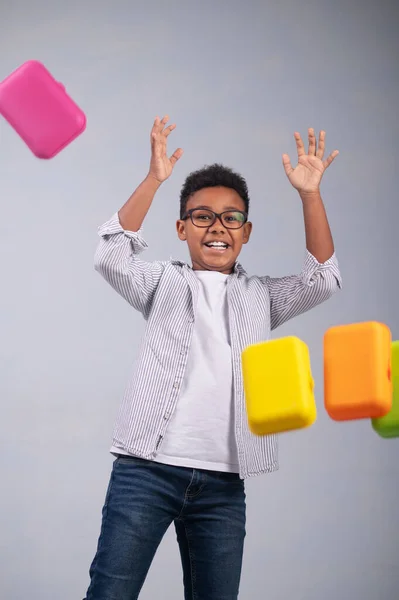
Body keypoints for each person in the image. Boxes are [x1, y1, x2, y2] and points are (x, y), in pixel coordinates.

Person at [83, 116, 342, 600]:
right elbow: (111, 257)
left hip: (224, 483)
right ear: (182, 228)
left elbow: (322, 279)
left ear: (247, 232)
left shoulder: (261, 297)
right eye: (202, 216)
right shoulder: (162, 283)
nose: (217, 227)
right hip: (146, 470)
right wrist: (155, 178)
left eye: (231, 218)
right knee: (110, 593)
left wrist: (310, 194)